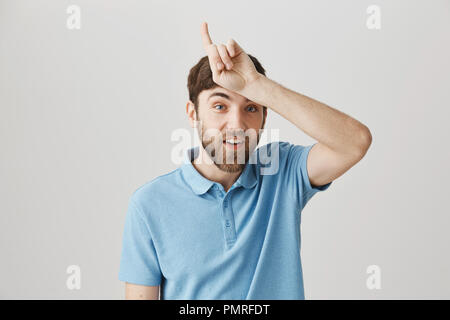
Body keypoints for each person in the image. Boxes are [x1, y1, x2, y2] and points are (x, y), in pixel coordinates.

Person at [118, 22, 372, 300]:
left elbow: (354, 143)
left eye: (251, 107)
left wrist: (258, 86)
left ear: (265, 116)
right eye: (220, 106)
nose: (237, 124)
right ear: (193, 114)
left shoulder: (282, 170)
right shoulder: (149, 204)